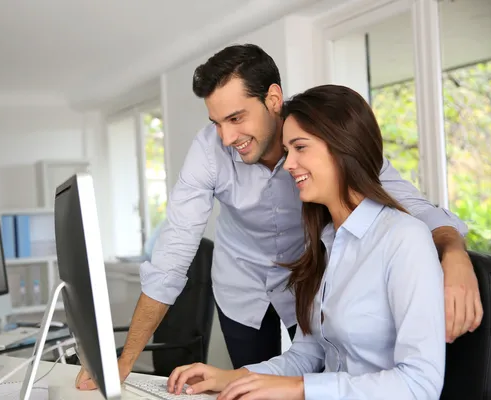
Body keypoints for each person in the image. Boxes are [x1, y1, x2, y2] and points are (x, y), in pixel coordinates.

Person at [75, 43, 482, 390]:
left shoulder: (326, 138)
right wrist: (125, 362)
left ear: (272, 99)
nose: (226, 138)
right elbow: (170, 261)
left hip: (306, 278)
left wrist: (454, 252)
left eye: (236, 118)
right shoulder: (213, 154)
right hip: (249, 284)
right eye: (217, 122)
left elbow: (409, 205)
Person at [166, 84, 446, 400]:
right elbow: (308, 354)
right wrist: (231, 378)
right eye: (288, 151)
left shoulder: (404, 239)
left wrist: (300, 389)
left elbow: (420, 384)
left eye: (300, 147)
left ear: (344, 148)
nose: (288, 165)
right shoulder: (325, 242)